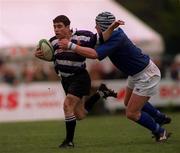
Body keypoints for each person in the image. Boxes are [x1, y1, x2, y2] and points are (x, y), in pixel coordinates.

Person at [59, 12, 172, 142]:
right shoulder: (112, 35)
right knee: (127, 103)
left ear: (104, 26)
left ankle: (160, 131)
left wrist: (71, 45)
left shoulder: (115, 37)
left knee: (131, 113)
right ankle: (159, 117)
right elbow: (93, 43)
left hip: (146, 74)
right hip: (136, 73)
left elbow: (94, 54)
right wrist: (78, 43)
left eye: (97, 25)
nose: (95, 28)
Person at [35, 15, 118, 148]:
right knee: (80, 115)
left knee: (67, 105)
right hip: (65, 80)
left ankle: (69, 142)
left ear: (68, 27)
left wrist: (112, 27)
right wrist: (40, 56)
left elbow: (101, 39)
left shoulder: (82, 37)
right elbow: (52, 58)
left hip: (79, 77)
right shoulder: (53, 42)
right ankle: (101, 93)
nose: (56, 30)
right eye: (54, 27)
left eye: (60, 26)